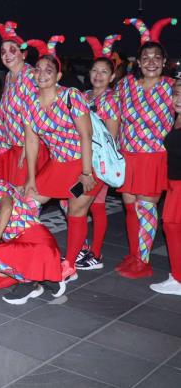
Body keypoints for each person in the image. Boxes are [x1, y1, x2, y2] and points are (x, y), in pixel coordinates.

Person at [22, 46, 99, 282]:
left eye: (49, 70)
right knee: (26, 205)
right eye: (38, 70)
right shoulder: (30, 103)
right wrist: (31, 179)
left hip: (83, 163)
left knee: (76, 212)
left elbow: (87, 135)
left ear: (57, 76)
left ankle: (70, 264)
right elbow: (31, 142)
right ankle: (36, 252)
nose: (42, 74)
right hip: (57, 166)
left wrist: (86, 173)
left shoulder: (71, 96)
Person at [115, 18, 176, 278]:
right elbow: (112, 115)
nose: (151, 61)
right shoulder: (126, 85)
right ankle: (134, 254)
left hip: (153, 157)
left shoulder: (173, 87)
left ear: (164, 61)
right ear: (138, 62)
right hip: (128, 155)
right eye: (146, 57)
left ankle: (143, 262)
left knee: (146, 209)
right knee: (130, 207)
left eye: (156, 57)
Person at [0, 149, 65, 304]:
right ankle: (41, 278)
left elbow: (6, 207)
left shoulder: (0, 186)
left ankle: (29, 281)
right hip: (17, 244)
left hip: (36, 241)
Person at [74, 34, 122, 270]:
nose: (98, 75)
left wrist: (97, 168)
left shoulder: (111, 99)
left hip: (99, 163)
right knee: (75, 203)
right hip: (82, 160)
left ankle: (96, 253)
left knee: (96, 206)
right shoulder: (83, 97)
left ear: (112, 76)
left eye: (104, 72)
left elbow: (111, 137)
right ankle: (82, 248)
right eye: (95, 70)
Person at [0, 22, 44, 185]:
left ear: (24, 54)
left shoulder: (31, 76)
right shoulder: (10, 77)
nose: (7, 55)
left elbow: (39, 113)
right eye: (3, 51)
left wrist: (28, 146)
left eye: (13, 50)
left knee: (24, 199)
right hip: (13, 147)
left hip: (30, 147)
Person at [151, 78, 181, 295]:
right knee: (171, 226)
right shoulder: (177, 118)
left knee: (171, 226)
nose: (178, 99)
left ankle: (178, 280)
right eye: (176, 93)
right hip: (173, 182)